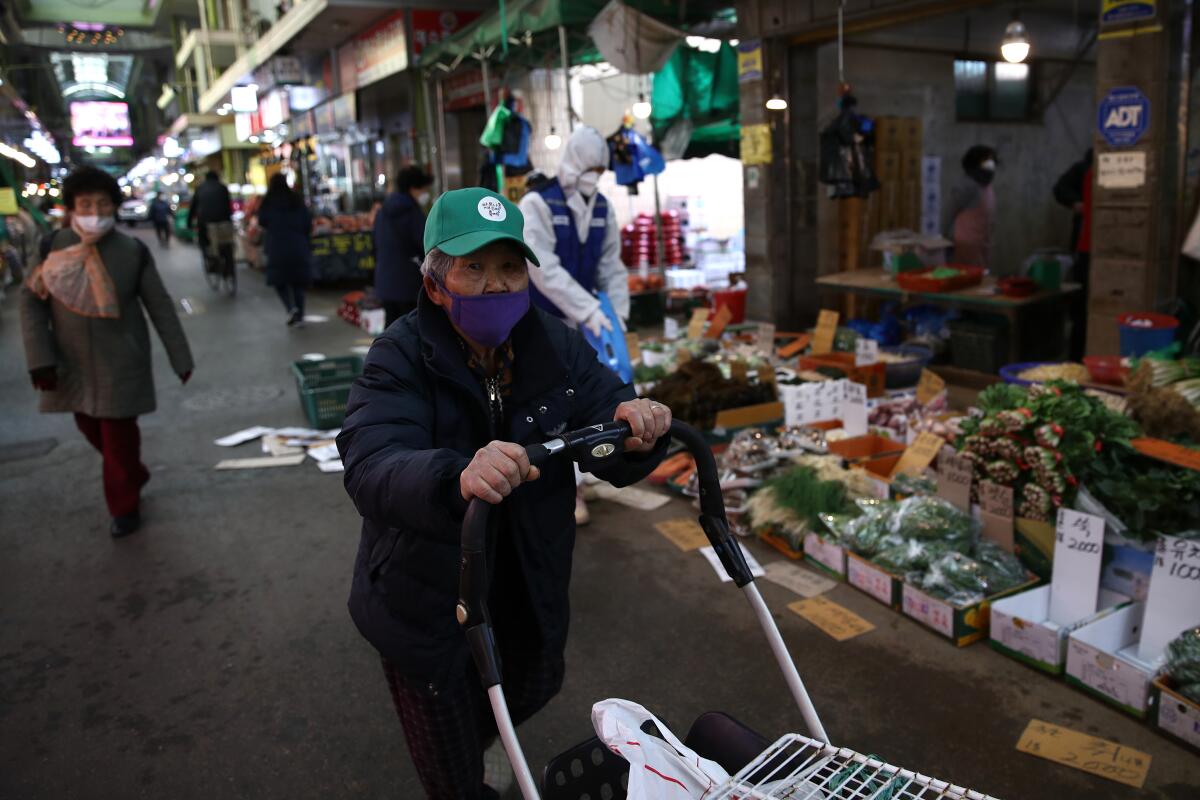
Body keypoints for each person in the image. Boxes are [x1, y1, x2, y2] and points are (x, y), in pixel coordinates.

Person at [336, 187, 671, 800]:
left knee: (533, 685)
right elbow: (372, 461)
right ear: (436, 283)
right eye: (474, 268)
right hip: (429, 598)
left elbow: (606, 416)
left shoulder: (556, 343)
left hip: (527, 581)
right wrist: (454, 476)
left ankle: (489, 745)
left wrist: (636, 428)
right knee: (452, 769)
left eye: (510, 266)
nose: (496, 285)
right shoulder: (400, 355)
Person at [19, 165, 194, 537]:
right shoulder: (51, 248)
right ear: (71, 207)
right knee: (90, 427)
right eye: (85, 204)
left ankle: (124, 508)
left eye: (102, 204)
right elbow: (31, 302)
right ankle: (133, 473)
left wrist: (181, 357)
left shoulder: (132, 251)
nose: (94, 213)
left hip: (121, 362)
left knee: (117, 437)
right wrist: (40, 359)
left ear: (114, 206)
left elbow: (159, 305)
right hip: (71, 363)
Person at [518, 126, 632, 525]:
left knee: (586, 399)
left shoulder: (603, 207)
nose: (594, 176)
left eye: (600, 169)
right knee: (547, 407)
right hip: (542, 322)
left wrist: (616, 313)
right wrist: (586, 309)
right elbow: (542, 268)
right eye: (589, 167)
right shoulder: (537, 204)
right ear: (571, 163)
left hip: (584, 324)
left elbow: (611, 266)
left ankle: (587, 469)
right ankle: (566, 490)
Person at [373, 165, 434, 327]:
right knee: (411, 329)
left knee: (392, 329)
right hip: (408, 283)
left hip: (385, 280)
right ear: (413, 188)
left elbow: (376, 243)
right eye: (423, 189)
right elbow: (425, 243)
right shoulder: (411, 212)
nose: (425, 194)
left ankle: (386, 353)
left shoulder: (383, 211)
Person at [257, 173, 313, 327]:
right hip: (298, 246)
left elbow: (262, 221)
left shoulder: (267, 201)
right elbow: (308, 222)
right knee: (298, 283)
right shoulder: (296, 199)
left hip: (277, 247)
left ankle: (290, 307)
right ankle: (299, 314)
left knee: (279, 281)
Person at [1054, 149, 1093, 360]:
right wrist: (1076, 203)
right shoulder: (1083, 169)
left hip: (1098, 249)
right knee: (1082, 305)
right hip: (1084, 247)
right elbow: (1060, 190)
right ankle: (1076, 357)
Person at [946, 145, 998, 269]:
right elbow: (948, 213)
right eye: (986, 161)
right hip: (965, 247)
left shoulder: (986, 185)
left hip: (983, 244)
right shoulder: (965, 186)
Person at [187, 169, 232, 260]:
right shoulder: (223, 187)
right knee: (227, 242)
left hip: (205, 222)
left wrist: (189, 223)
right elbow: (228, 205)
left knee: (204, 242)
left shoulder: (200, 188)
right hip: (224, 221)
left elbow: (193, 208)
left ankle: (209, 258)